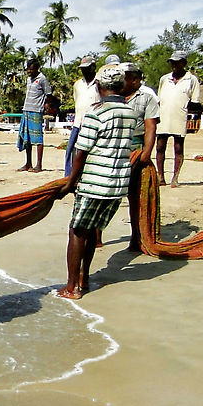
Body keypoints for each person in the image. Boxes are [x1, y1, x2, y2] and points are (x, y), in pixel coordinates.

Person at [56, 65, 136, 299]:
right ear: (121, 86)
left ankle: (72, 287)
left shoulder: (96, 113)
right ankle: (84, 278)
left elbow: (80, 152)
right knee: (91, 231)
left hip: (94, 183)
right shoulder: (130, 113)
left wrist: (71, 182)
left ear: (99, 87)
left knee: (77, 231)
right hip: (117, 183)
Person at [122, 63, 160, 251]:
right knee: (105, 195)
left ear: (136, 80)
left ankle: (136, 237)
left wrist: (146, 153)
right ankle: (97, 236)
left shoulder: (147, 98)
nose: (122, 79)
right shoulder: (114, 96)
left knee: (134, 196)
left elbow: (150, 126)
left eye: (126, 76)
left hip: (135, 148)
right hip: (115, 148)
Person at [156, 50, 201, 187]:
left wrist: (191, 121)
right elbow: (159, 99)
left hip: (180, 116)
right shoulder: (164, 79)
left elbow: (195, 102)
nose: (174, 65)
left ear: (184, 63)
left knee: (178, 147)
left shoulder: (191, 80)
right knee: (160, 147)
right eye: (172, 62)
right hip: (163, 116)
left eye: (177, 62)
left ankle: (175, 178)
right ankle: (161, 177)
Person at [64, 57, 100, 177]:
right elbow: (77, 101)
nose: (84, 71)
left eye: (87, 68)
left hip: (94, 124)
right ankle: (70, 176)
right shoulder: (78, 85)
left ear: (93, 67)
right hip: (78, 123)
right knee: (71, 151)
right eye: (82, 69)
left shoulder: (100, 84)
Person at [17, 57, 52, 172]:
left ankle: (39, 165)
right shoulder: (28, 79)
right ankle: (28, 163)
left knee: (38, 139)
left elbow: (48, 94)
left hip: (36, 111)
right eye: (27, 69)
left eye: (31, 69)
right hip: (26, 110)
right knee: (26, 138)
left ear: (37, 68)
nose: (29, 71)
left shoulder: (42, 79)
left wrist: (46, 106)